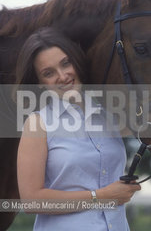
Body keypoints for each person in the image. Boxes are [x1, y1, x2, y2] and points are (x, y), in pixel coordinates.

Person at [16, 27, 141, 231]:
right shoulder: (38, 124)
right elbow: (31, 200)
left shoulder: (109, 114)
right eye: (49, 73)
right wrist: (101, 197)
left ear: (76, 60)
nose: (63, 76)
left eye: (66, 63)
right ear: (39, 84)